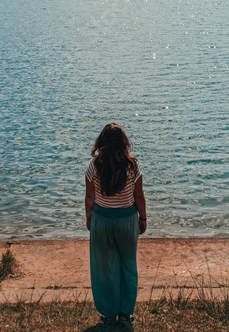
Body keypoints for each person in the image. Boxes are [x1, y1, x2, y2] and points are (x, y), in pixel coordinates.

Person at [85, 122, 147, 326]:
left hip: (102, 219)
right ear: (123, 142)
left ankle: (109, 313)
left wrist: (89, 218)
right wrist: (143, 218)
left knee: (105, 267)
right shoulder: (133, 165)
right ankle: (126, 313)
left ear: (101, 142)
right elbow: (139, 196)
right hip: (127, 220)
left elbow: (89, 197)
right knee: (128, 264)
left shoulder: (94, 166)